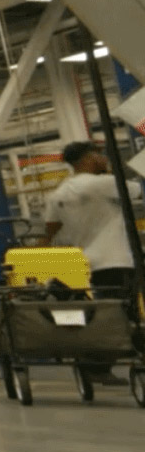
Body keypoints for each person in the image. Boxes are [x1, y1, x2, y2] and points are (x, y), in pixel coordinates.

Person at [43, 141, 142, 384]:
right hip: (116, 259)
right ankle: (95, 366)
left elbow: (50, 230)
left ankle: (95, 364)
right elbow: (137, 191)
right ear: (88, 158)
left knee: (110, 314)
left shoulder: (59, 194)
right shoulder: (102, 184)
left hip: (89, 261)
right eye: (99, 154)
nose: (104, 158)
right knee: (122, 317)